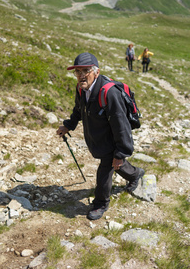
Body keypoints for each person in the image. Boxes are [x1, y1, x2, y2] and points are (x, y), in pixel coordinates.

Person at [57, 52, 145, 221]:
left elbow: (122, 126)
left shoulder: (110, 94)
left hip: (111, 139)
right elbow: (78, 109)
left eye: (85, 71)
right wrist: (69, 125)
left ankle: (100, 203)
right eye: (78, 72)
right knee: (115, 164)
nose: (81, 76)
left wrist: (121, 152)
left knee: (105, 171)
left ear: (96, 72)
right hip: (98, 138)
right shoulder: (81, 89)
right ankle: (135, 174)